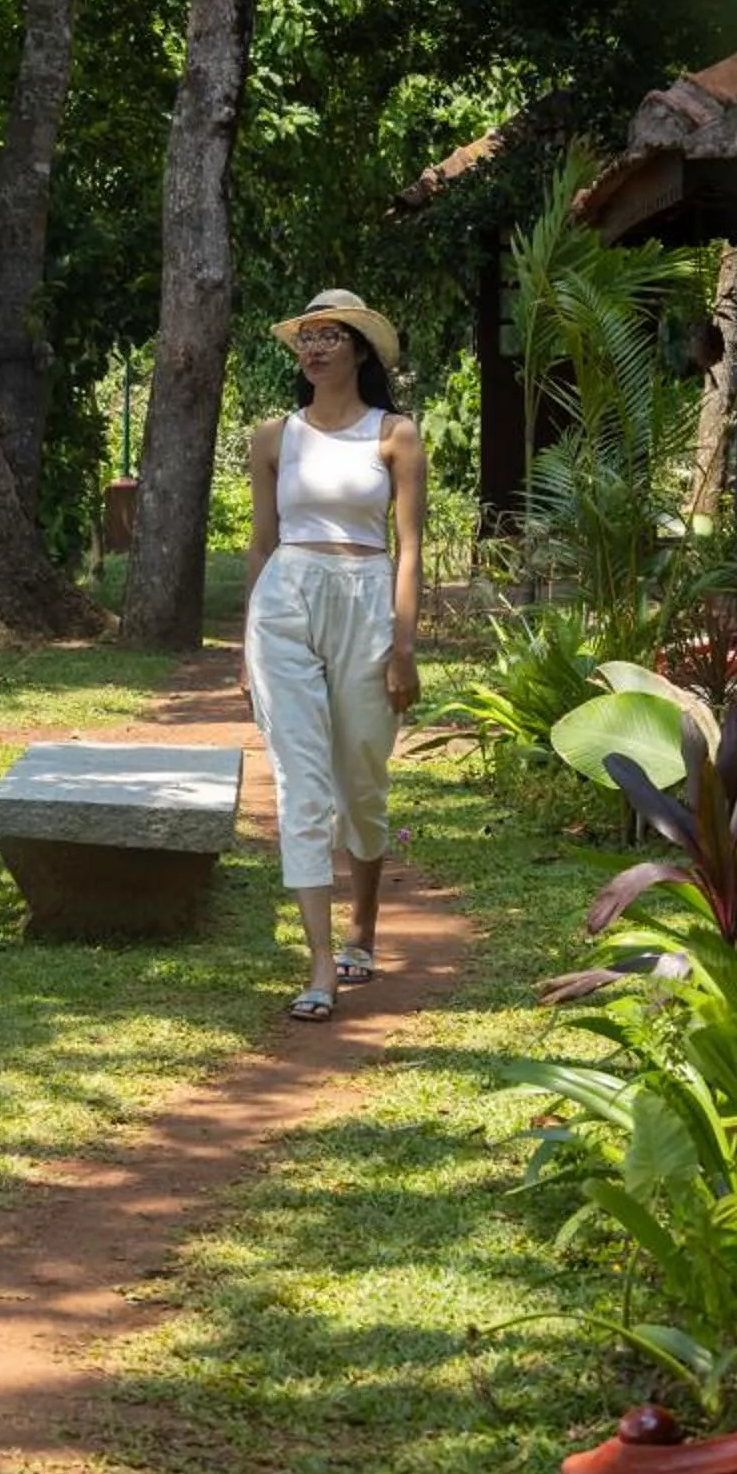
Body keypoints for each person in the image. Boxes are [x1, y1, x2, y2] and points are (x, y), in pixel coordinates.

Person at [239, 289, 423, 1023]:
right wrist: (242, 648)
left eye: (329, 336)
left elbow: (409, 549)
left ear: (358, 350)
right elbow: (259, 544)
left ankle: (364, 926)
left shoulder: (395, 434)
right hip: (285, 600)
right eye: (305, 337)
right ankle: (319, 961)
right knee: (302, 783)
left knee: (362, 781)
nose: (312, 348)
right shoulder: (271, 436)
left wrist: (404, 647)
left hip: (366, 597)